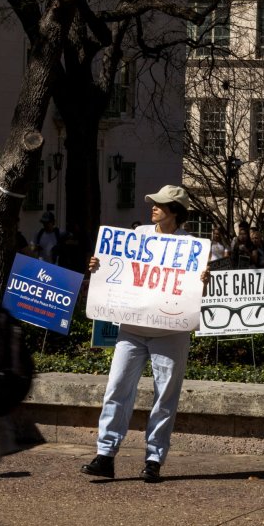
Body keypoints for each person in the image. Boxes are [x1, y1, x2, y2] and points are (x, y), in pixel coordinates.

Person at [80, 185, 204, 483]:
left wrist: (203, 278)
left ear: (175, 211)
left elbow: (194, 291)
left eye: (161, 204)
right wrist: (98, 266)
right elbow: (116, 269)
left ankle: (153, 459)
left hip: (170, 333)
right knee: (117, 388)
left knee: (165, 397)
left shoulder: (191, 246)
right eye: (154, 204)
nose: (153, 207)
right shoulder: (138, 237)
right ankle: (105, 455)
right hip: (132, 329)